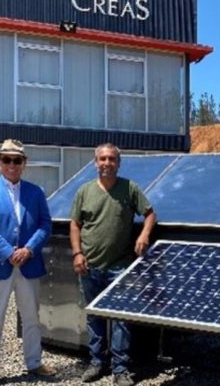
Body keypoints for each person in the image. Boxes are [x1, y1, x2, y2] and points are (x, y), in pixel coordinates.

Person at [70, 143, 157, 384]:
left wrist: (144, 234)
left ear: (118, 163)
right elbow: (75, 224)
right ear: (95, 163)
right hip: (89, 266)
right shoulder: (85, 191)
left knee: (121, 319)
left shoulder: (129, 189)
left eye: (111, 159)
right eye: (102, 159)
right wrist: (77, 253)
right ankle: (97, 363)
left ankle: (120, 369)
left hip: (120, 266)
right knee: (94, 317)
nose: (107, 163)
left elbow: (150, 213)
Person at [0, 139, 56, 386]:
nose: (12, 164)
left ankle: (34, 362)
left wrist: (29, 250)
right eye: (6, 159)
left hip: (28, 265)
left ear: (24, 164)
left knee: (31, 318)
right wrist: (10, 252)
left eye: (16, 160)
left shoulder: (36, 191)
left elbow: (45, 224)